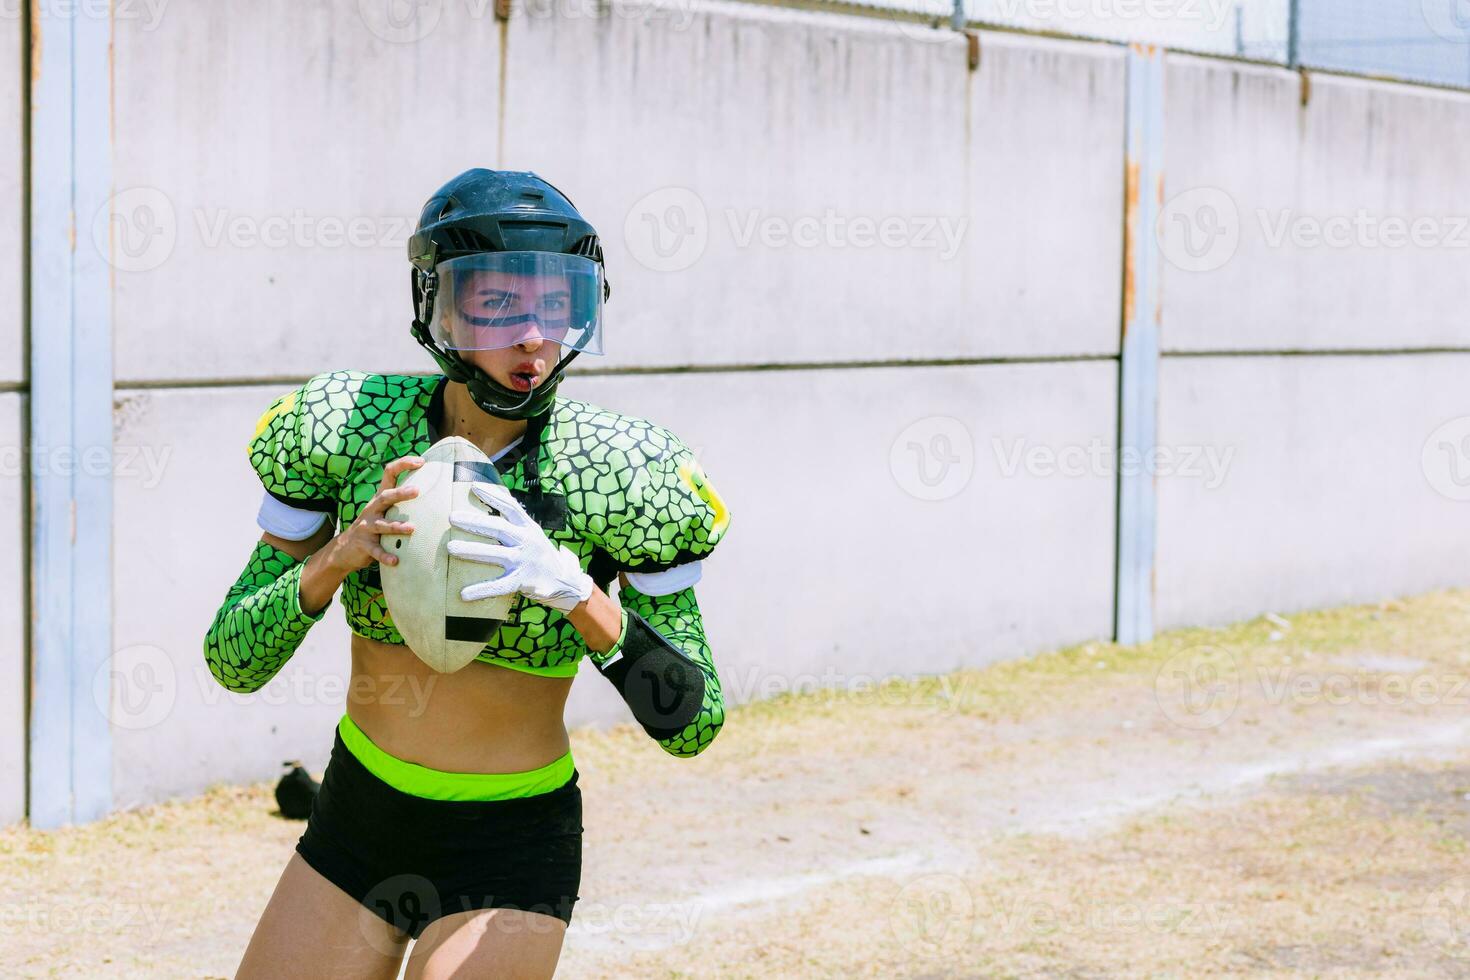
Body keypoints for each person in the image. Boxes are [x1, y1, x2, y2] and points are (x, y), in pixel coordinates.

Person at [203, 169, 732, 979]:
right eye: (499, 306)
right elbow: (232, 661)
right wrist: (337, 561)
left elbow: (693, 722)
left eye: (557, 306)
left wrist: (577, 595)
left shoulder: (625, 470)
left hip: (511, 840)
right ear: (438, 309)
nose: (533, 336)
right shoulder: (348, 425)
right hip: (360, 814)